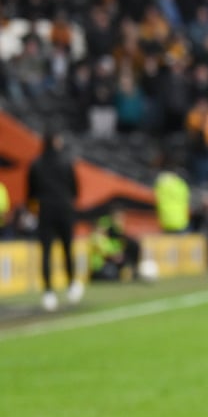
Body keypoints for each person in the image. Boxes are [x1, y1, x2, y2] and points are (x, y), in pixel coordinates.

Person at [26, 130, 82, 311]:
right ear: (56, 141)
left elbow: (31, 193)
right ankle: (71, 285)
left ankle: (48, 293)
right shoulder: (66, 162)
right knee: (67, 248)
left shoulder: (36, 164)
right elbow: (75, 189)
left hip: (45, 211)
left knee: (46, 252)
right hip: (64, 209)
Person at [88, 209, 142, 281]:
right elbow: (106, 253)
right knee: (111, 273)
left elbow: (115, 248)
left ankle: (133, 271)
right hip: (99, 267)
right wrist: (115, 256)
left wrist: (119, 254)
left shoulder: (113, 235)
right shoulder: (97, 238)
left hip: (110, 262)